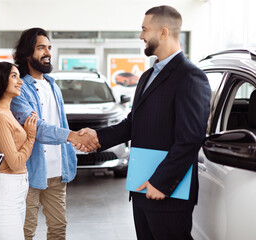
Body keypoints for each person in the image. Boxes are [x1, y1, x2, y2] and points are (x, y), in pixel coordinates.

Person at [79, 5, 211, 240]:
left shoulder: (190, 76)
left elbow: (190, 139)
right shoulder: (147, 76)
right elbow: (133, 124)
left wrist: (161, 183)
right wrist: (97, 137)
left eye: (144, 29)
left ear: (163, 32)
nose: (141, 36)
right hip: (141, 187)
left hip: (167, 192)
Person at [10, 28, 99, 240]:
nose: (47, 52)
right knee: (25, 232)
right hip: (30, 172)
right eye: (41, 48)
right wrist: (73, 136)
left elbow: (60, 122)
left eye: (49, 47)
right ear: (26, 54)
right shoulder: (19, 89)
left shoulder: (53, 85)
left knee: (59, 229)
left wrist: (74, 141)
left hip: (58, 171)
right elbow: (37, 128)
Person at [0, 61, 38, 240]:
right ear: (0, 81)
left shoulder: (7, 113)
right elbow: (15, 163)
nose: (20, 81)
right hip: (6, 195)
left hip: (16, 192)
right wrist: (31, 136)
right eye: (14, 76)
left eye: (19, 76)